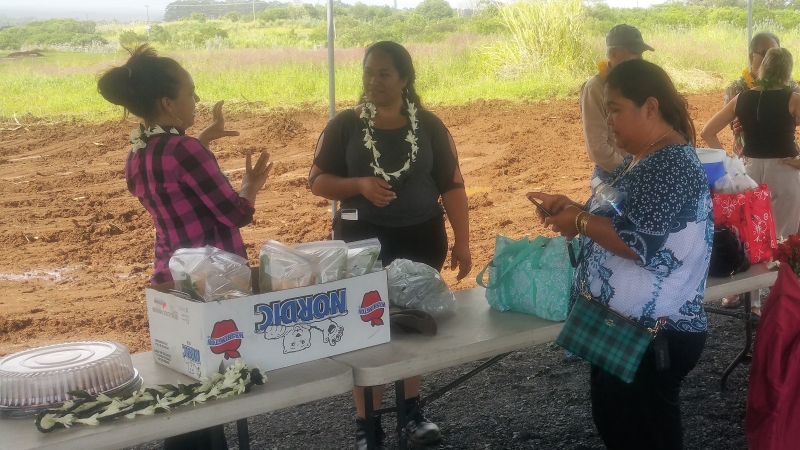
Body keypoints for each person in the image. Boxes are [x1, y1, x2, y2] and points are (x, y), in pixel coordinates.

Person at [97, 44, 272, 450]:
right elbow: (234, 213)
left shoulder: (137, 154)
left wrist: (203, 138)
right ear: (167, 103)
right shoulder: (186, 150)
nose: (196, 99)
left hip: (168, 277)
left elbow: (177, 177)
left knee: (186, 386)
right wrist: (250, 186)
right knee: (215, 385)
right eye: (190, 92)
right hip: (210, 282)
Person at [530, 59, 712, 450]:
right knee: (619, 423)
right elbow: (621, 218)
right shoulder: (643, 156)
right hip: (625, 324)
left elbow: (636, 242)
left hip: (655, 332)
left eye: (614, 109)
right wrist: (574, 208)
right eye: (605, 110)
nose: (608, 120)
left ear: (650, 107)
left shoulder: (670, 164)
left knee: (642, 433)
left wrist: (579, 221)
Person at [308, 41, 472, 450]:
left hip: (421, 238)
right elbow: (317, 181)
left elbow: (452, 185)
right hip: (362, 243)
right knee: (368, 330)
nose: (374, 80)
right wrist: (358, 185)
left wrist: (464, 241)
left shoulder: (429, 125)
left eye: (384, 73)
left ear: (404, 78)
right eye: (368, 72)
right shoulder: (345, 125)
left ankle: (410, 410)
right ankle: (367, 423)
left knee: (414, 325)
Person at [702, 48, 800, 242]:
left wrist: (729, 163)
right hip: (784, 171)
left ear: (763, 68)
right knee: (785, 240)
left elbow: (707, 132)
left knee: (752, 237)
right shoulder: (793, 99)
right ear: (787, 71)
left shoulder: (741, 98)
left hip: (750, 171)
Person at [580, 24, 654, 183]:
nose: (640, 59)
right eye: (634, 53)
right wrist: (631, 173)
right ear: (613, 53)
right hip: (614, 175)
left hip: (640, 168)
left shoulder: (639, 82)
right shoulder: (595, 88)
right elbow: (597, 148)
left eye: (641, 53)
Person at [723, 32, 800, 157]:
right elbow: (733, 124)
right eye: (766, 53)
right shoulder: (736, 88)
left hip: (784, 155)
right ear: (751, 57)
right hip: (748, 157)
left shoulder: (789, 84)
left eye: (775, 54)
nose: (770, 59)